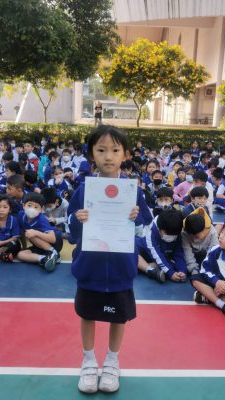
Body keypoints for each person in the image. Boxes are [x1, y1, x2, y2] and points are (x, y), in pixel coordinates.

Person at [67, 125, 147, 393]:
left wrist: (136, 218)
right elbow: (71, 232)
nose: (108, 156)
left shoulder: (133, 192)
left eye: (115, 150)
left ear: (126, 154)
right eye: (101, 150)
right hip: (89, 266)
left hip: (121, 267)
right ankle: (89, 360)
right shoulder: (83, 190)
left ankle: (112, 361)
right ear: (92, 154)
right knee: (87, 314)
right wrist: (78, 220)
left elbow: (144, 230)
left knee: (118, 317)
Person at [137, 209, 186, 283]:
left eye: (173, 235)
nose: (170, 237)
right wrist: (170, 273)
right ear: (160, 229)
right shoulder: (150, 231)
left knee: (169, 262)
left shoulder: (177, 229)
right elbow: (156, 254)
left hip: (162, 258)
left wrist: (182, 271)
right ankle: (150, 271)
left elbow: (179, 253)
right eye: (167, 234)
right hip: (144, 253)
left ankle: (148, 268)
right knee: (131, 254)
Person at [16, 193, 63, 270]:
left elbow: (53, 239)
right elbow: (21, 232)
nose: (32, 209)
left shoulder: (42, 219)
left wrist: (36, 233)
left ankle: (54, 254)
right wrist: (24, 247)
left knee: (31, 233)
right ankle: (44, 259)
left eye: (36, 207)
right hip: (38, 245)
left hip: (55, 243)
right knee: (20, 255)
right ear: (24, 206)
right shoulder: (21, 215)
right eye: (29, 205)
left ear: (41, 209)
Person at [181, 207, 219, 275]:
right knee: (182, 263)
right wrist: (193, 270)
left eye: (197, 237)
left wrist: (206, 269)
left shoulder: (212, 232)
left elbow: (212, 253)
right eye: (191, 236)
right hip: (192, 257)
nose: (194, 240)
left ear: (204, 230)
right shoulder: (184, 232)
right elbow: (187, 252)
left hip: (205, 257)